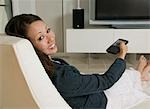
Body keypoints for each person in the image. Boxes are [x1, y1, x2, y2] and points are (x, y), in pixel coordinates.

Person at [5, 14, 149, 109]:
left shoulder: (43, 66)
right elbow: (106, 81)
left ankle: (140, 73)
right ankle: (141, 74)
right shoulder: (61, 76)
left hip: (85, 93)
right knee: (125, 81)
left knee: (126, 76)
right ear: (29, 46)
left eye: (48, 30)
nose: (50, 38)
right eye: (41, 38)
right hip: (99, 102)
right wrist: (122, 55)